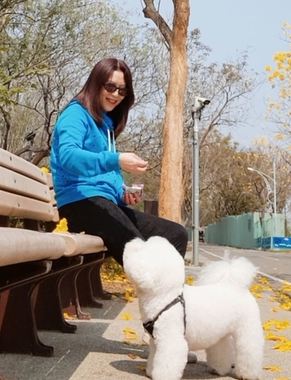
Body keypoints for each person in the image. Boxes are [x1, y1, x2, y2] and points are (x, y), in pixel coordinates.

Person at [50, 57, 188, 267]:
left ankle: (169, 296)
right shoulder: (75, 114)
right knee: (139, 253)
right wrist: (117, 159)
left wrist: (122, 193)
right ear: (96, 83)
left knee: (176, 235)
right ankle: (160, 294)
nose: (115, 94)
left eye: (122, 90)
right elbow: (69, 156)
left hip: (104, 204)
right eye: (110, 86)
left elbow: (106, 176)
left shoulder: (106, 125)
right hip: (78, 203)